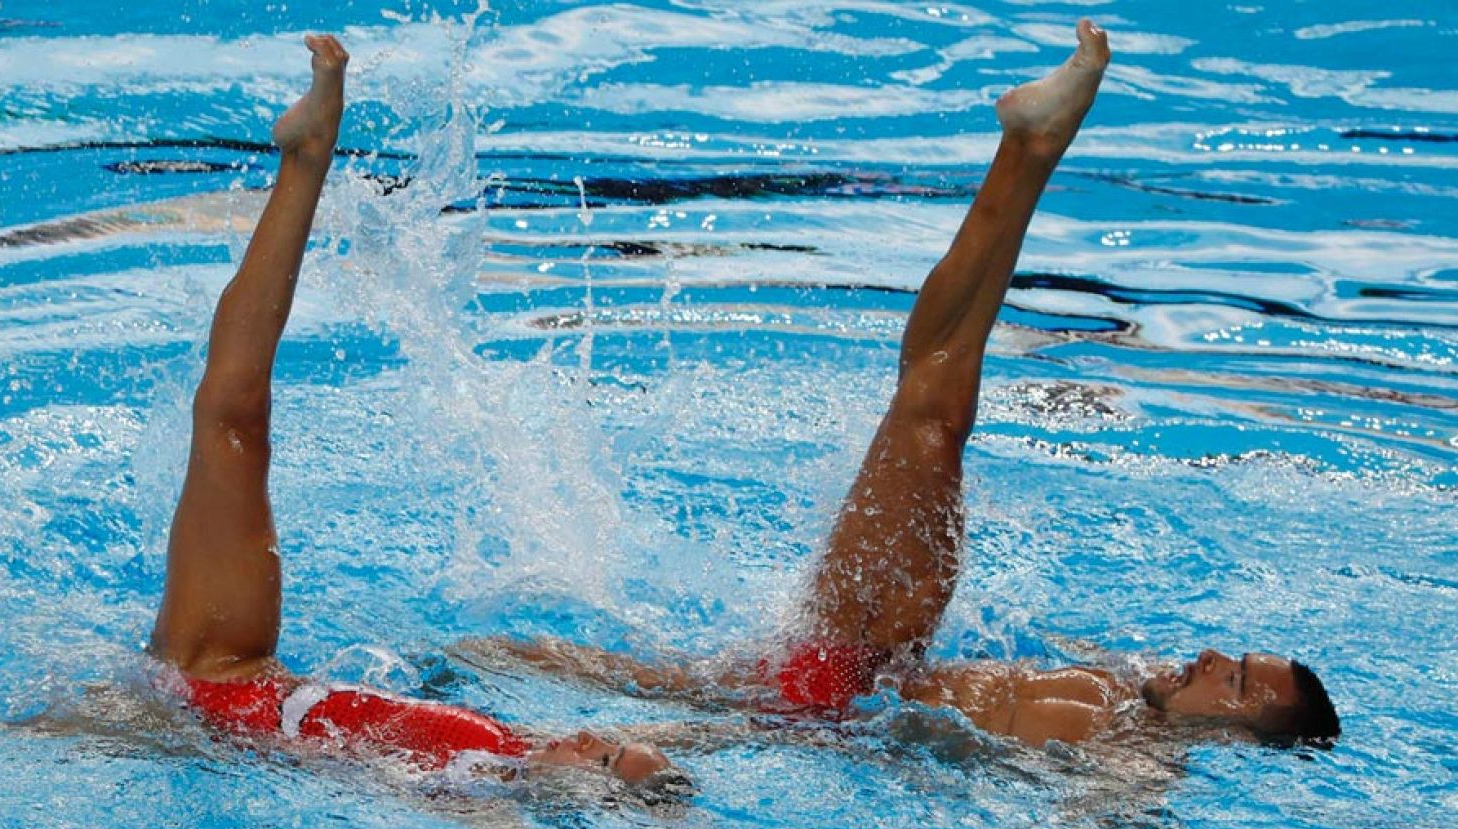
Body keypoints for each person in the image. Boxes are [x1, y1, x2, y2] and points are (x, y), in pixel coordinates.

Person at [466, 20, 1340, 750]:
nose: (1214, 656)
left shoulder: (1137, 764)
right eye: (1235, 657)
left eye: (1236, 678)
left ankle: (1031, 148)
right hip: (856, 677)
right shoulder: (1119, 684)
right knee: (933, 410)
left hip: (835, 695)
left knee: (932, 406)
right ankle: (1029, 149)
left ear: (1241, 724)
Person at [146, 34, 683, 794]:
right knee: (236, 414)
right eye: (612, 741)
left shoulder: (476, 785)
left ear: (584, 793)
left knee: (229, 414)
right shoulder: (513, 743)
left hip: (205, 693)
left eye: (600, 757)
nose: (593, 736)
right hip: (248, 666)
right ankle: (307, 158)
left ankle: (309, 160)